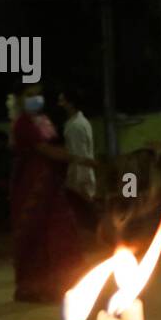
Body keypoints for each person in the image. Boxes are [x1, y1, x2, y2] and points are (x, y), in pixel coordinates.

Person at [10, 84, 88, 303]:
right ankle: (36, 287)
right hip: (32, 185)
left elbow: (54, 145)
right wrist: (78, 158)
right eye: (29, 95)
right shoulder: (23, 124)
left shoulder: (42, 121)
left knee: (60, 231)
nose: (35, 99)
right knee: (35, 233)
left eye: (38, 94)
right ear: (19, 98)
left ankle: (64, 284)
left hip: (51, 185)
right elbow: (46, 150)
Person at [58, 87, 98, 233]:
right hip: (78, 176)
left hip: (79, 177)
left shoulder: (76, 126)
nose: (60, 104)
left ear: (71, 103)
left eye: (63, 100)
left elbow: (79, 156)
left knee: (85, 218)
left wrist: (79, 182)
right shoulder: (75, 123)